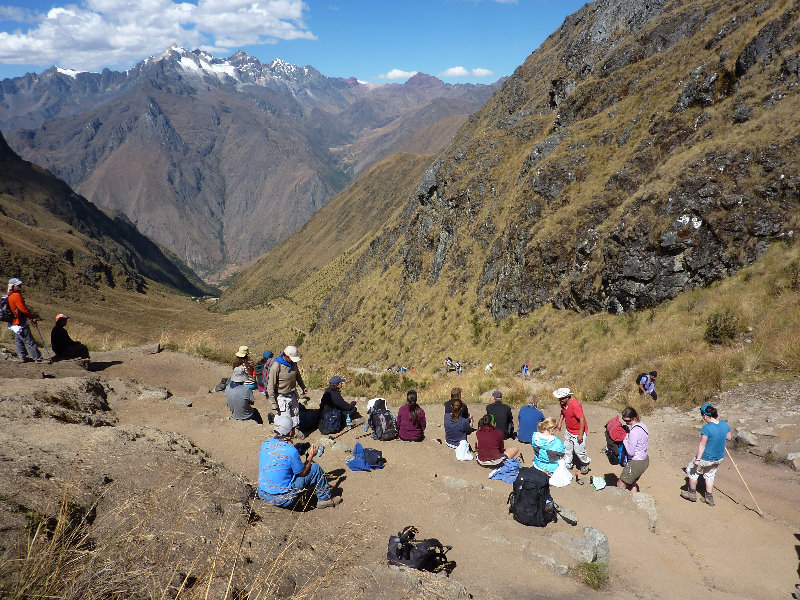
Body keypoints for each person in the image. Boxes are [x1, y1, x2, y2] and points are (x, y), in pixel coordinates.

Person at [257, 415, 341, 509]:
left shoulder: (265, 444)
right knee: (315, 468)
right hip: (283, 498)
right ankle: (325, 499)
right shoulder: (290, 451)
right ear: (290, 433)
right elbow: (302, 472)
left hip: (263, 493)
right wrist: (310, 456)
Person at [681, 403, 731, 507]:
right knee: (710, 475)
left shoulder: (706, 428)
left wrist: (697, 460)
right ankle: (709, 498)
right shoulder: (724, 424)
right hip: (718, 457)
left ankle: (692, 494)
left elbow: (702, 444)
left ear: (705, 415)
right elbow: (728, 437)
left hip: (706, 457)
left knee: (692, 471)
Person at [266, 345, 308, 437]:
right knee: (285, 420)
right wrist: (273, 403)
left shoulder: (293, 364)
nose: (293, 360)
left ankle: (294, 434)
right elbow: (270, 386)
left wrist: (303, 387)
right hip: (281, 396)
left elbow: (297, 376)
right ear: (286, 356)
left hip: (292, 394)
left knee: (295, 416)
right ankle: (283, 437)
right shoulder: (276, 366)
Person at [554, 387, 591, 475]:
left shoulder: (575, 405)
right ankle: (568, 463)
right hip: (569, 430)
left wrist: (580, 434)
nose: (560, 400)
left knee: (579, 450)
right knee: (567, 447)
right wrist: (560, 422)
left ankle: (585, 463)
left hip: (578, 431)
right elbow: (563, 412)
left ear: (567, 397)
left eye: (562, 398)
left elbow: (582, 419)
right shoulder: (563, 403)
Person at [5, 278, 43, 363]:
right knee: (29, 340)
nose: (20, 286)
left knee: (19, 340)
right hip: (20, 321)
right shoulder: (16, 295)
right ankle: (38, 358)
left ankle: (23, 357)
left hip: (13, 322)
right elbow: (23, 309)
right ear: (12, 286)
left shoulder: (8, 295)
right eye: (17, 285)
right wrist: (32, 317)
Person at [616, 407, 649, 492]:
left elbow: (630, 452)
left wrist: (625, 439)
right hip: (644, 460)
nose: (626, 423)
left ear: (634, 418)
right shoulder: (642, 425)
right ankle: (634, 501)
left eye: (628, 421)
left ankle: (623, 503)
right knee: (632, 483)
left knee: (620, 485)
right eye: (624, 421)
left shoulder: (634, 432)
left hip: (636, 463)